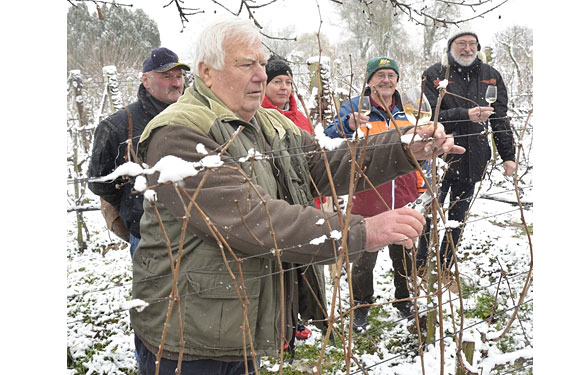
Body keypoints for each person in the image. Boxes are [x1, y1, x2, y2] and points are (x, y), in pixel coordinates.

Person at [130, 17, 463, 375]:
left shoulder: (268, 123)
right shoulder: (178, 133)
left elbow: (324, 165)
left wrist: (403, 147)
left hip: (233, 320)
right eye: (247, 64)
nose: (260, 74)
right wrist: (361, 232)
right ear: (207, 73)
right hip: (186, 336)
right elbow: (250, 220)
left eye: (261, 62)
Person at [324, 57, 423, 332]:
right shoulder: (355, 108)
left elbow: (419, 151)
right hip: (366, 197)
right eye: (380, 75)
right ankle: (361, 305)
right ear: (369, 81)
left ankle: (404, 301)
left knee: (403, 255)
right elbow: (328, 138)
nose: (386, 80)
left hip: (402, 196)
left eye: (391, 75)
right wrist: (347, 124)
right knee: (363, 258)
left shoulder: (408, 111)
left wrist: (420, 183)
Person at [418, 28, 516, 272]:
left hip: (474, 158)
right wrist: (465, 115)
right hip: (438, 157)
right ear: (450, 47)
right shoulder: (434, 74)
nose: (468, 49)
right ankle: (419, 265)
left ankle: (444, 267)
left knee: (458, 219)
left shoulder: (490, 75)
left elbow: (500, 118)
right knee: (427, 214)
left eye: (472, 44)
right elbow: (428, 116)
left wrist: (508, 156)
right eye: (462, 43)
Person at [88, 47, 190, 258]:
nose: (176, 83)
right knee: (155, 290)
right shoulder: (117, 126)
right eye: (166, 76)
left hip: (194, 231)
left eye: (179, 76)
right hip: (148, 236)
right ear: (145, 80)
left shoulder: (192, 117)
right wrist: (132, 207)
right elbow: (100, 181)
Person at [261, 55, 323, 344]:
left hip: (306, 202)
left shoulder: (300, 118)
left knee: (305, 269)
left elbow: (313, 164)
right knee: (281, 270)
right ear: (265, 84)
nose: (284, 87)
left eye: (288, 82)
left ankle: (299, 319)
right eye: (277, 82)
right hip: (279, 206)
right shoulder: (258, 118)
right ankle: (281, 327)